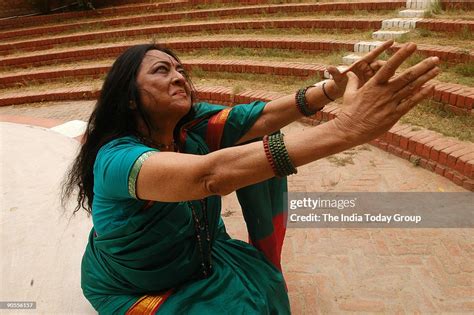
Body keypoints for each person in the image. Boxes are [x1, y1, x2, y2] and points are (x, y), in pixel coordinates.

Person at [62, 39, 439, 314]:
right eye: (162, 71)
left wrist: (332, 89)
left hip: (201, 253)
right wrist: (344, 130)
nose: (179, 78)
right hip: (137, 288)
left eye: (180, 70)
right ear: (129, 98)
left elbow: (260, 119)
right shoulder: (117, 160)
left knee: (267, 287)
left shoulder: (189, 127)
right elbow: (210, 176)